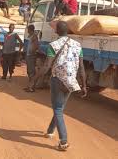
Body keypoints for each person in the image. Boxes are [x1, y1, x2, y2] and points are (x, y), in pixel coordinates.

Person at [34, 21, 87, 151]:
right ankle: (50, 131)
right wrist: (84, 85)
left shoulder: (53, 45)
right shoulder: (77, 45)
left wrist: (34, 79)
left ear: (57, 31)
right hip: (71, 82)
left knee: (57, 109)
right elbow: (81, 68)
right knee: (59, 107)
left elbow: (46, 66)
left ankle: (63, 141)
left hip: (57, 80)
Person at [23, 25, 39, 93]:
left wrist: (32, 53)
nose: (27, 31)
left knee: (31, 72)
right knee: (29, 71)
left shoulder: (34, 36)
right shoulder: (30, 36)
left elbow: (36, 46)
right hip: (28, 55)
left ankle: (32, 87)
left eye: (28, 29)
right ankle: (30, 86)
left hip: (31, 56)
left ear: (30, 29)